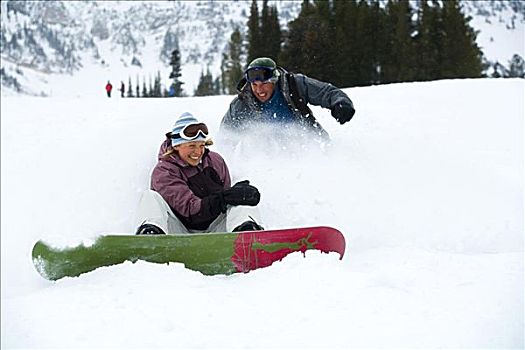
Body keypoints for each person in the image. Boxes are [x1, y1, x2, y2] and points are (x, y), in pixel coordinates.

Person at [134, 112, 264, 235]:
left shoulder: (216, 161)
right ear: (176, 146)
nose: (198, 152)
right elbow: (191, 211)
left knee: (243, 200)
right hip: (178, 233)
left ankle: (248, 237)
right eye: (192, 146)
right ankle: (150, 238)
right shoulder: (164, 171)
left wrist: (234, 195)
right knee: (150, 197)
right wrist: (224, 198)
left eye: (202, 145)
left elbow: (226, 202)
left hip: (216, 231)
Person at [220, 57, 355, 141]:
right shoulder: (242, 103)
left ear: (274, 80)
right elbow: (225, 136)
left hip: (314, 147)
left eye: (264, 84)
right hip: (273, 159)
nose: (259, 90)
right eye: (254, 85)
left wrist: (341, 103)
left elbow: (327, 92)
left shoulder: (293, 85)